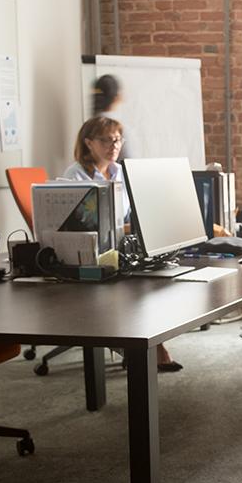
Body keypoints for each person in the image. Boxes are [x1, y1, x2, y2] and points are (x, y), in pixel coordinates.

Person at [62, 115, 182, 373]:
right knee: (133, 286)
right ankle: (139, 347)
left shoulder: (119, 172)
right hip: (91, 250)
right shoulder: (74, 176)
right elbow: (76, 223)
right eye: (106, 140)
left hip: (119, 246)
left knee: (158, 277)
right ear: (88, 142)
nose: (113, 145)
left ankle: (144, 344)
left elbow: (128, 216)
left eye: (117, 140)